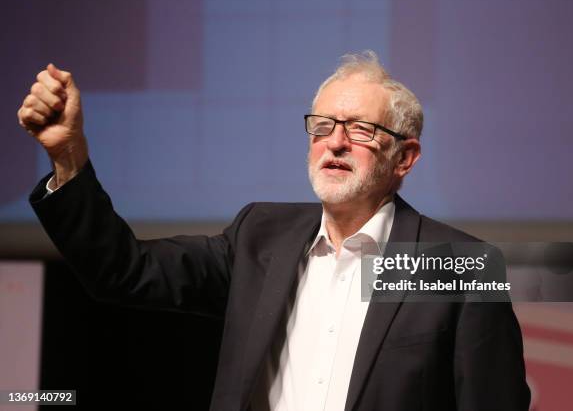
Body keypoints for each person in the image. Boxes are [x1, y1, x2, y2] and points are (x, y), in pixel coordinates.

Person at [18, 51, 530, 411]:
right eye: (323, 126)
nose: (334, 143)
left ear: (405, 157)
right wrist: (68, 155)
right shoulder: (260, 237)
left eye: (359, 129)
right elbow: (124, 271)